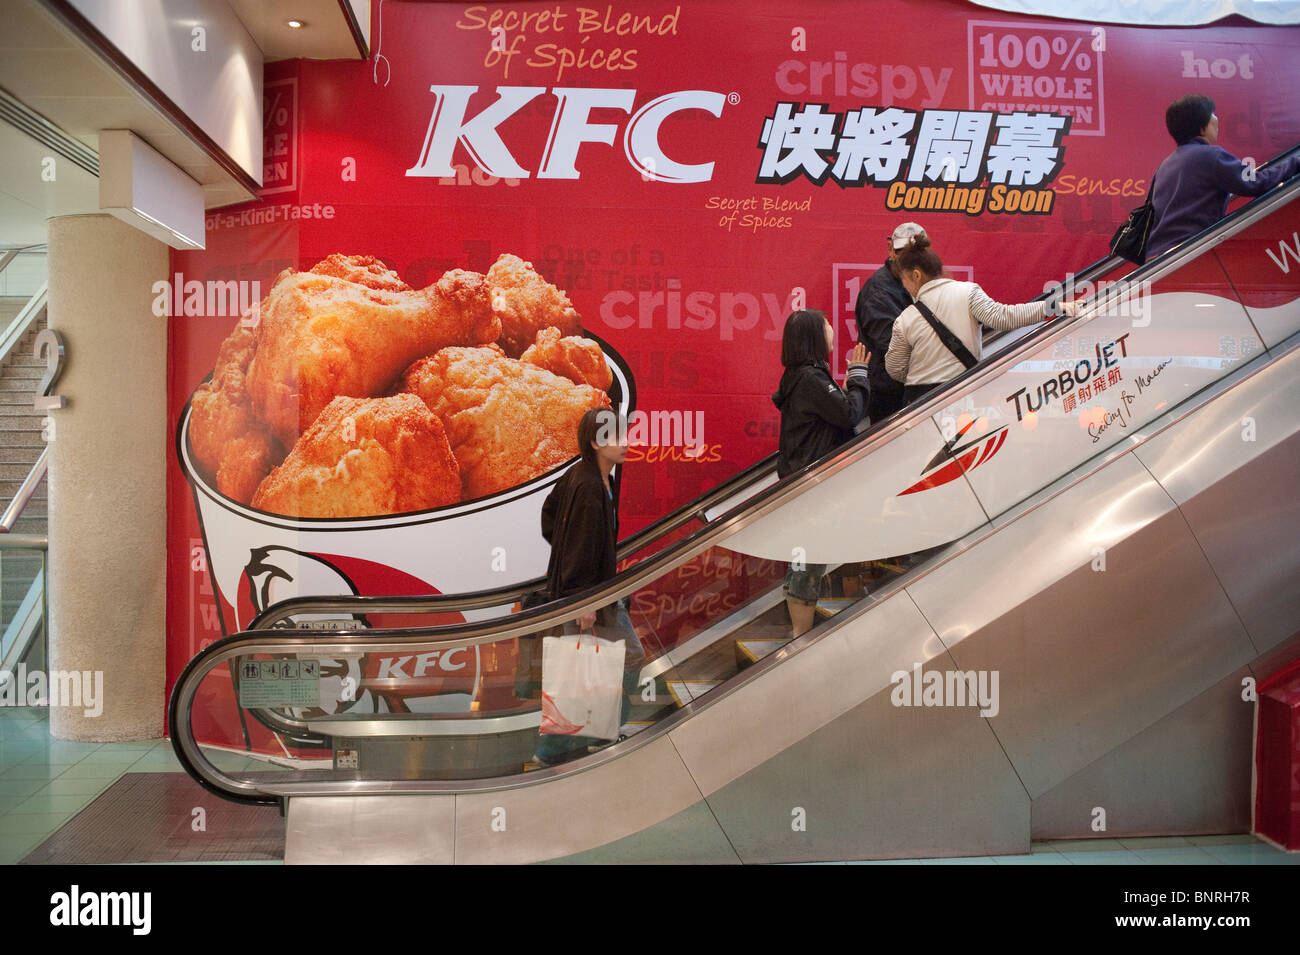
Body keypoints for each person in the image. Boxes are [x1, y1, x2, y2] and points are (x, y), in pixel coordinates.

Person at [531, 407, 645, 767]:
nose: (627, 443)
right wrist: (583, 601)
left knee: (579, 670)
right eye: (617, 437)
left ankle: (591, 736)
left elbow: (550, 518)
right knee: (612, 662)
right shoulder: (589, 486)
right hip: (587, 596)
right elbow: (577, 539)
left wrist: (565, 549)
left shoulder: (591, 476)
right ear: (597, 442)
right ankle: (564, 747)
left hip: (591, 592)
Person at [884, 235, 1075, 404]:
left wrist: (924, 371)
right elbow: (1002, 317)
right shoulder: (968, 293)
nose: (905, 287)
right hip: (965, 392)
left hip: (920, 400)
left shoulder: (905, 319)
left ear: (916, 276)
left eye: (904, 281)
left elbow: (895, 369)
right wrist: (1054, 306)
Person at [772, 308, 870, 637]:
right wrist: (858, 376)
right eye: (827, 325)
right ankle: (801, 635)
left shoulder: (802, 377)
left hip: (803, 481)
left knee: (807, 556)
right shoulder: (811, 378)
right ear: (814, 336)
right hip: (812, 483)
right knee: (808, 560)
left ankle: (800, 631)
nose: (832, 329)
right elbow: (849, 415)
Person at [1145, 95, 1300, 261]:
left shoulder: (1165, 166)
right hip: (1191, 251)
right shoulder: (1210, 156)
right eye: (1212, 114)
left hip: (1157, 255)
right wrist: (1295, 163)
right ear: (1202, 125)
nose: (1216, 119)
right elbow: (1255, 183)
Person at [854, 222, 927, 422]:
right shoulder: (878, 293)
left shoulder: (923, 284)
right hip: (891, 399)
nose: (911, 259)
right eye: (904, 252)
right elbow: (895, 348)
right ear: (891, 250)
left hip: (916, 392)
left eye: (917, 252)